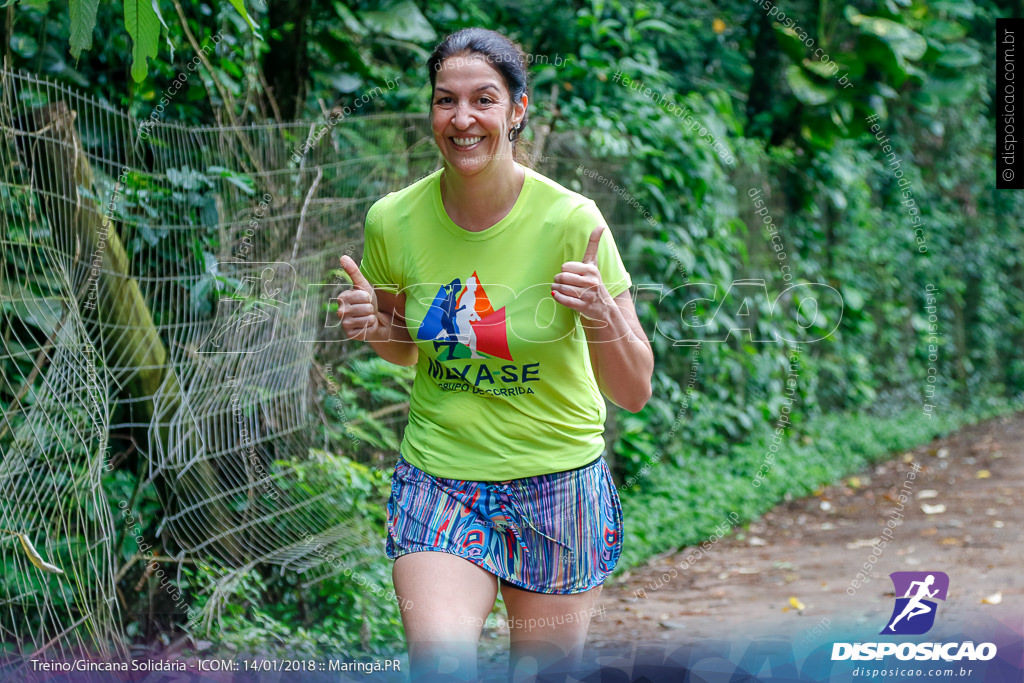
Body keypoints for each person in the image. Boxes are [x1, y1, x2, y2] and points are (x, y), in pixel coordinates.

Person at [335, 27, 653, 682]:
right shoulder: (392, 221)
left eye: (483, 99)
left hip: (557, 484)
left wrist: (596, 314)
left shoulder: (573, 221)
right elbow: (408, 349)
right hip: (441, 478)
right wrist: (374, 326)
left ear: (517, 110)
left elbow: (634, 389)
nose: (462, 118)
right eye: (445, 100)